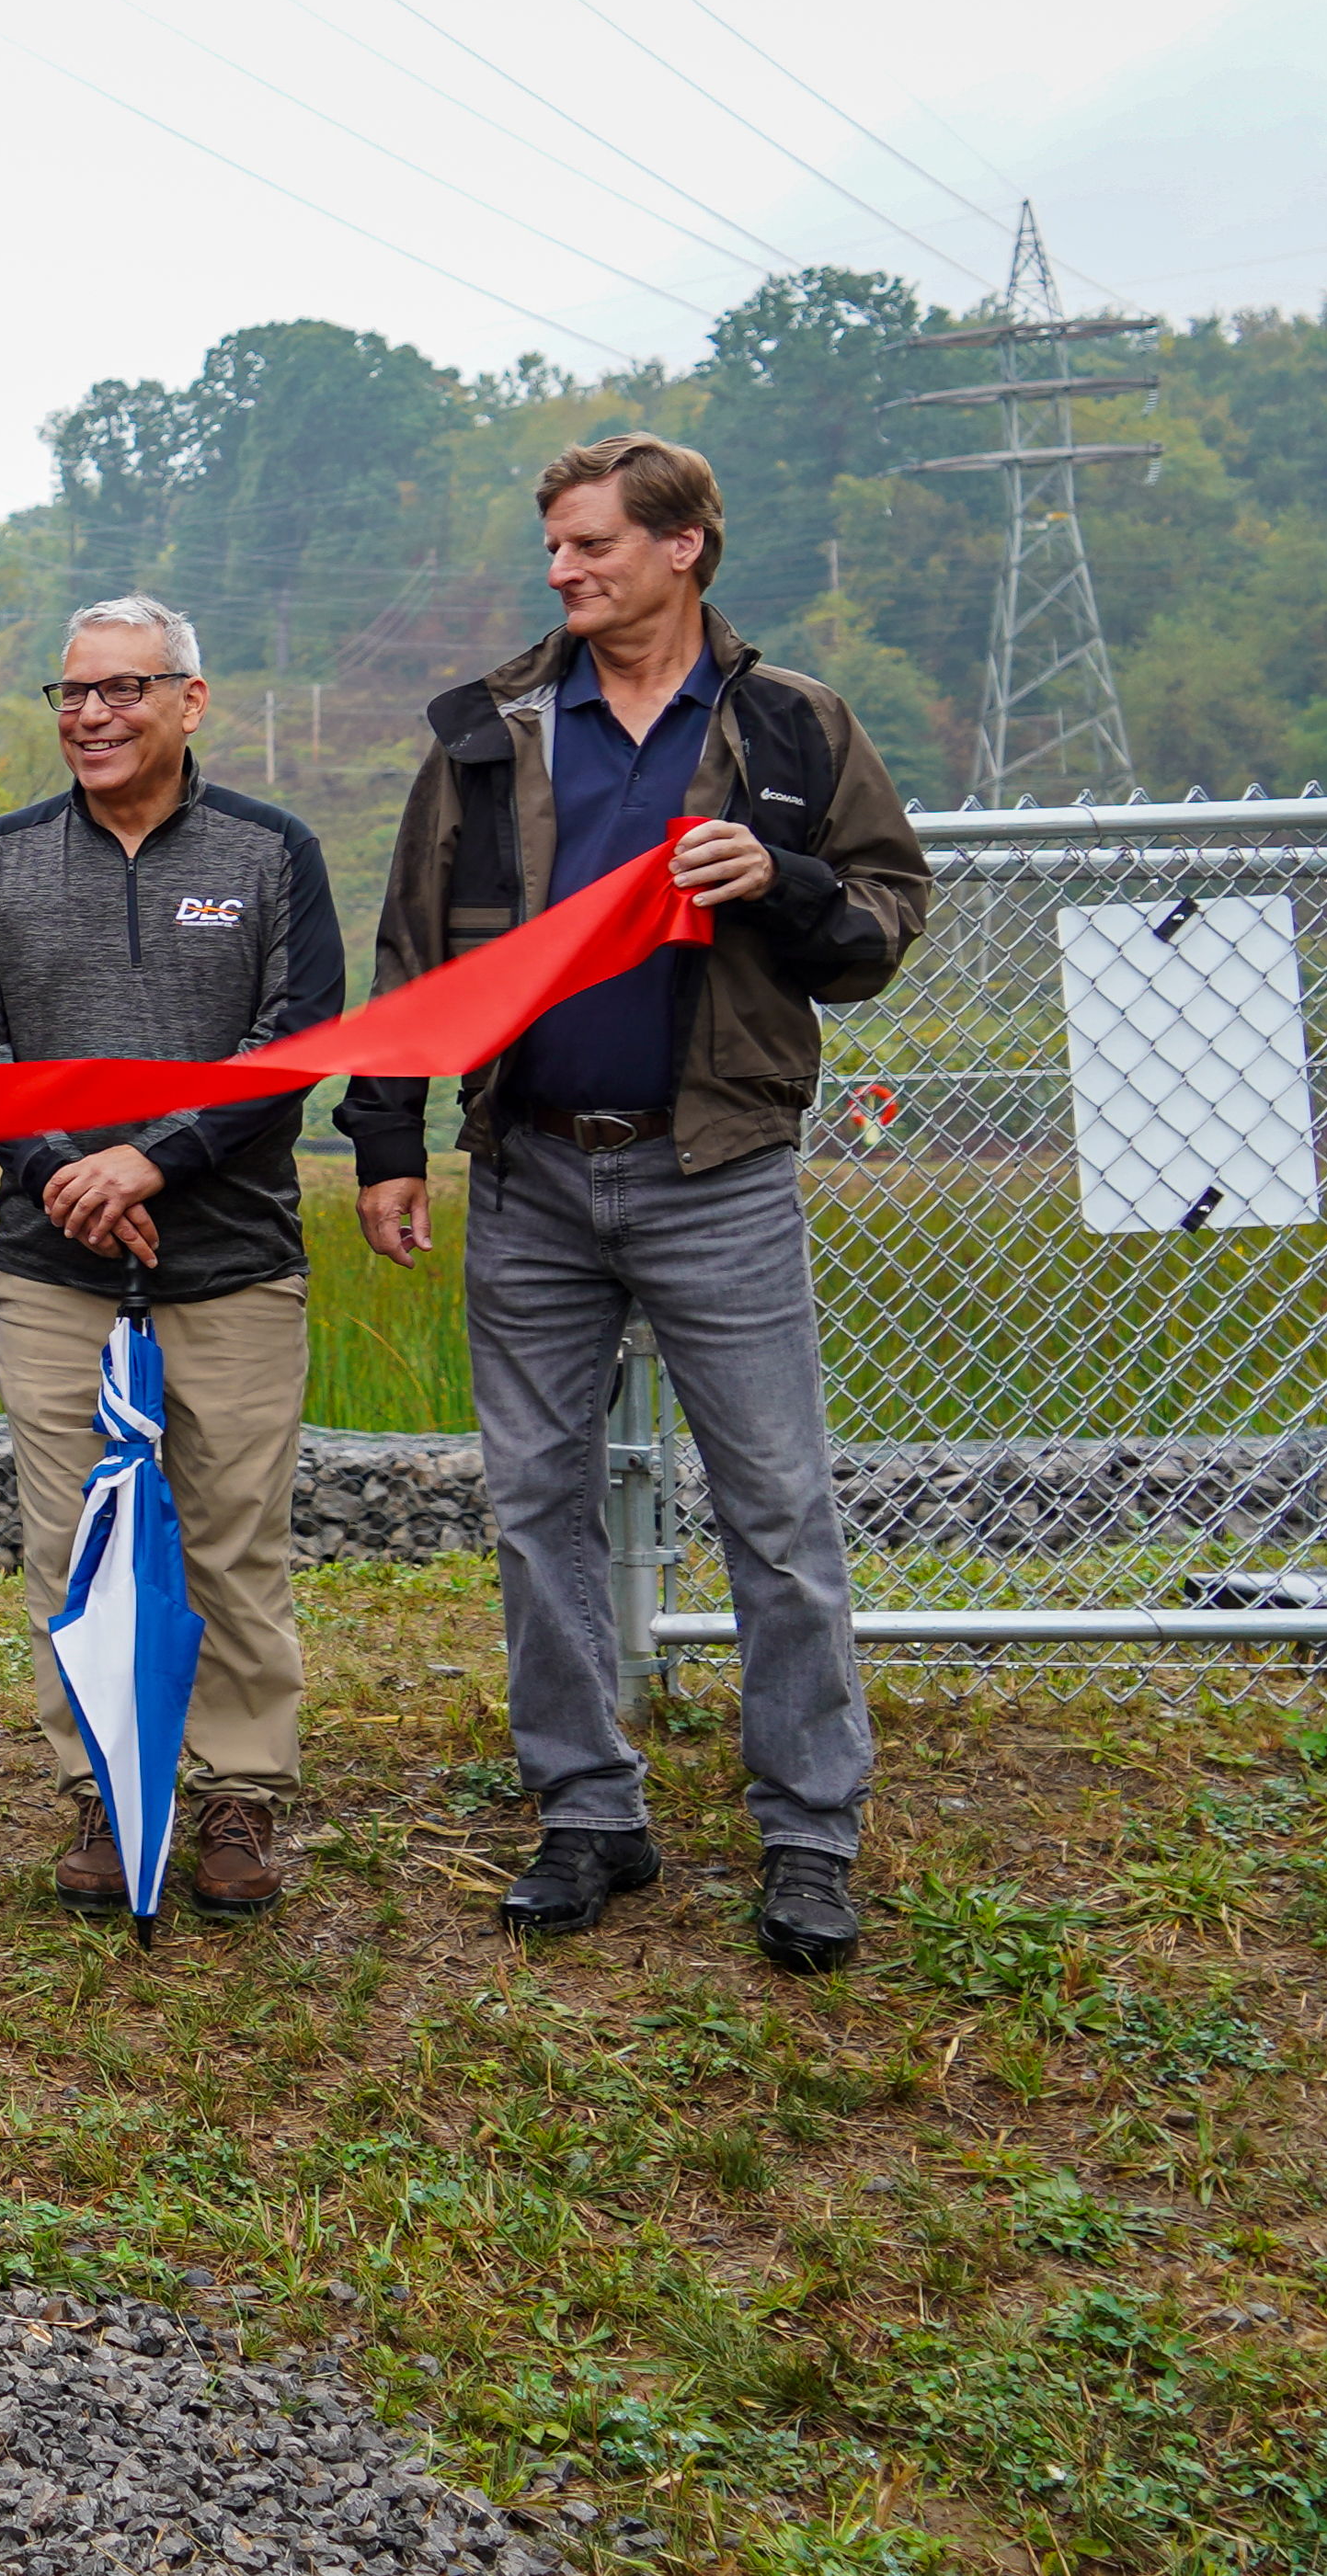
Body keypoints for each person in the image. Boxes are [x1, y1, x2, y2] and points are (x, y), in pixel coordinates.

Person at [345, 434, 932, 1975]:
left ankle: (809, 1834)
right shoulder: (486, 731)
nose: (562, 569)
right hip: (531, 1168)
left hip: (715, 1169)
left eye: (593, 542)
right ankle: (587, 1811)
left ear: (684, 547)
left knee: (779, 1513)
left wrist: (788, 883)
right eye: (552, 547)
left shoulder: (794, 726)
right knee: (534, 1509)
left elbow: (884, 922)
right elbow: (417, 946)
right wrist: (390, 1140)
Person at [0, 597, 345, 1924]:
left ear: (189, 697)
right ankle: (104, 1788)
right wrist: (66, 1168)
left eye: (119, 689)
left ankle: (234, 1793)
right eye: (67, 694)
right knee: (72, 1542)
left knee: (229, 1535)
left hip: (229, 1260)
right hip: (53, 1268)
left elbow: (294, 1042)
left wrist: (150, 1158)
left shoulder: (269, 852)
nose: (90, 715)